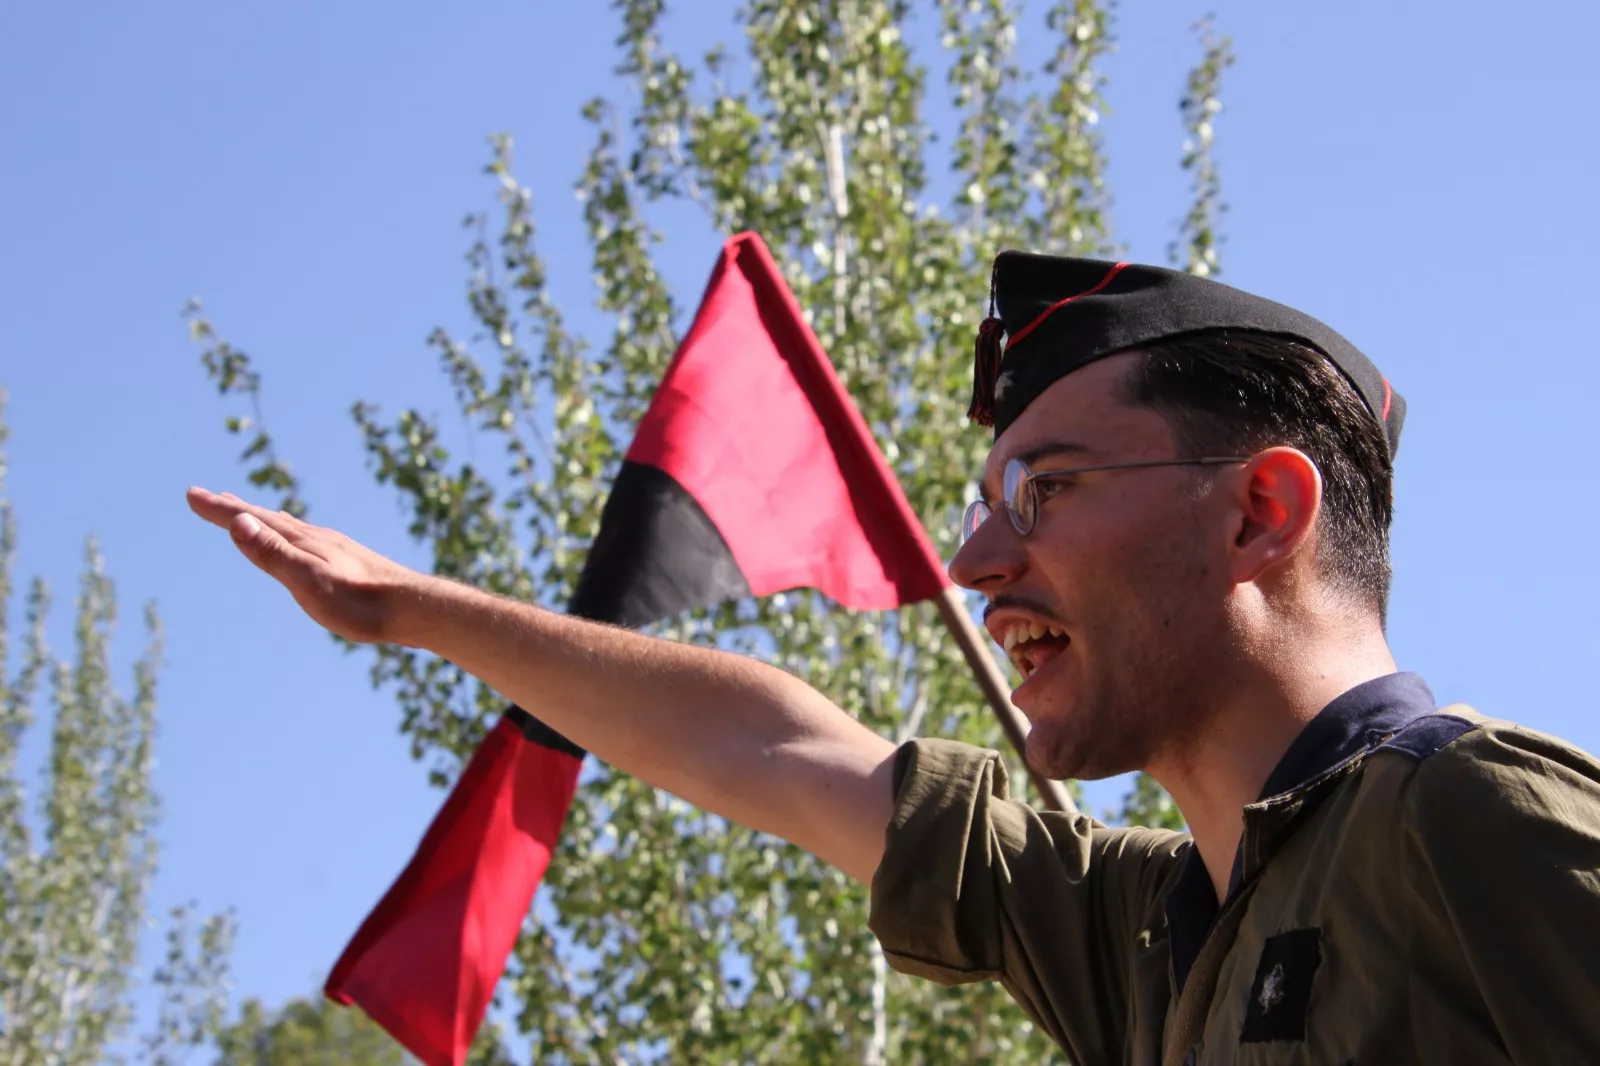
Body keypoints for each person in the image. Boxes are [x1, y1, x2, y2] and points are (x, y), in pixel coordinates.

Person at [188, 252, 1600, 1065]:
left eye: (1044, 490)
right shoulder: (1149, 933)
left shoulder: (1471, 821)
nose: (979, 567)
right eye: (984, 507)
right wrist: (417, 611)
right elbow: (782, 752)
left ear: (1258, 511)